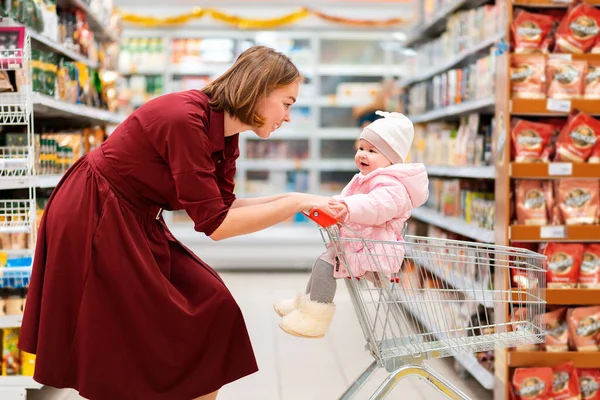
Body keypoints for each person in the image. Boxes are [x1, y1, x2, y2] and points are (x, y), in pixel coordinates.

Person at [18, 46, 333, 400]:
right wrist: (295, 202)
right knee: (121, 334)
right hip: (96, 212)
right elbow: (218, 226)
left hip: (137, 217)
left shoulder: (226, 136)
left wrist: (306, 202)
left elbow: (224, 206)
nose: (288, 116)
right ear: (259, 90)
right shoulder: (186, 119)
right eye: (287, 102)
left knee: (212, 302)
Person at [273, 111, 429, 339]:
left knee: (326, 266)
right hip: (360, 243)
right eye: (361, 148)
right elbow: (348, 198)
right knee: (323, 263)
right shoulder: (363, 178)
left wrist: (348, 207)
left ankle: (314, 319)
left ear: (392, 158)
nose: (362, 154)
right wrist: (330, 205)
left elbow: (376, 206)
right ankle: (304, 307)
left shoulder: (392, 186)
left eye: (372, 151)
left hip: (375, 249)